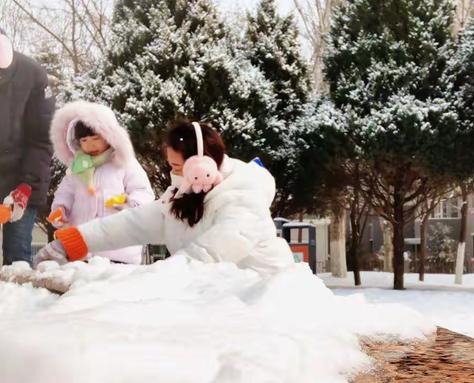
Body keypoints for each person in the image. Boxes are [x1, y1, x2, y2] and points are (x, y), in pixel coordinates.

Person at [34, 121, 294, 274]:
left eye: (178, 167)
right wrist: (74, 241)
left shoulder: (242, 197)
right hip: (220, 301)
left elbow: (210, 252)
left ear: (201, 164)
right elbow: (132, 223)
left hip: (264, 301)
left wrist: (161, 276)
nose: (174, 173)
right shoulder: (184, 195)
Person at [48, 101, 155, 264]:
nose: (90, 144)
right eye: (84, 140)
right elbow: (65, 193)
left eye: (95, 138)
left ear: (109, 136)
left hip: (118, 249)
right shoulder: (77, 168)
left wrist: (128, 203)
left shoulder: (124, 163)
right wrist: (60, 210)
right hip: (81, 248)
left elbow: (143, 192)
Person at [0, 26, 55, 265]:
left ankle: (17, 300)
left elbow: (42, 139)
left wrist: (26, 186)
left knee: (17, 258)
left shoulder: (33, 75)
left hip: (21, 181)